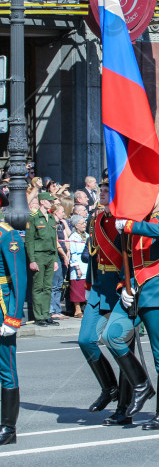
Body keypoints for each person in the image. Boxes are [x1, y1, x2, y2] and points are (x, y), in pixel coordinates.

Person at [101, 175, 159, 431]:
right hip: (133, 293)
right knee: (111, 334)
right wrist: (122, 284)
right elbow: (119, 255)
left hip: (158, 296)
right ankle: (141, 384)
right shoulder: (136, 222)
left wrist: (130, 226)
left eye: (154, 191)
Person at [80, 181, 129, 424]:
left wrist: (129, 288)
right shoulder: (97, 219)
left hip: (120, 287)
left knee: (120, 347)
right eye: (100, 189)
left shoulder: (125, 220)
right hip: (100, 285)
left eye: (107, 190)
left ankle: (124, 408)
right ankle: (109, 387)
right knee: (86, 339)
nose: (102, 193)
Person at [0, 190, 26, 445]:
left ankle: (8, 428)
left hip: (1, 305)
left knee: (5, 367)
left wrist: (13, 318)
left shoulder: (7, 234)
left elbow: (19, 278)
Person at [25, 192, 59, 326]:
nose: (51, 203)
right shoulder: (33, 218)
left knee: (48, 287)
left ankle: (46, 314)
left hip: (50, 255)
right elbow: (29, 240)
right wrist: (32, 259)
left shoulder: (51, 218)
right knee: (38, 286)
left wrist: (55, 259)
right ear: (42, 202)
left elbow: (53, 239)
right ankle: (39, 316)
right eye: (49, 201)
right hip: (39, 255)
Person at [51, 203, 70, 320]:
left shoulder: (60, 224)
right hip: (56, 255)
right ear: (55, 212)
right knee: (55, 283)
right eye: (62, 211)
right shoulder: (52, 224)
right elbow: (56, 241)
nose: (64, 214)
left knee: (60, 284)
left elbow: (67, 236)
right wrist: (63, 255)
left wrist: (68, 251)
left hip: (64, 255)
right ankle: (53, 310)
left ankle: (57, 309)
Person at [67, 215, 88, 318]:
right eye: (82, 223)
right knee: (77, 288)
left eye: (85, 223)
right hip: (78, 265)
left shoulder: (87, 235)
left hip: (87, 265)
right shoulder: (73, 237)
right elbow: (73, 254)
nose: (85, 225)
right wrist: (77, 268)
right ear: (76, 226)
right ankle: (77, 309)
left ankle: (86, 308)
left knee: (85, 288)